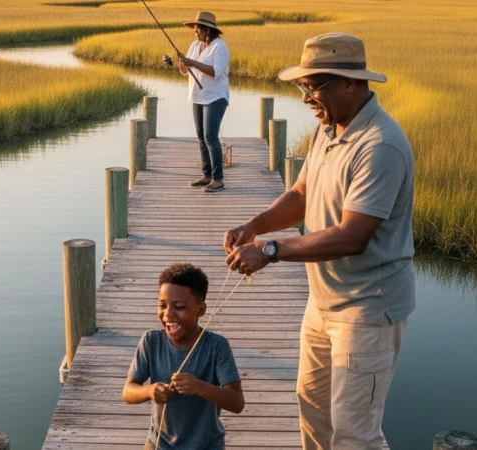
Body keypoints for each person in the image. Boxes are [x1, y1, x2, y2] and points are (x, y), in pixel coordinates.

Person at [222, 33, 415, 450]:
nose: (307, 97)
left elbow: (352, 237)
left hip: (368, 308)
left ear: (351, 82)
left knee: (354, 433)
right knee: (313, 410)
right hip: (323, 302)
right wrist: (254, 226)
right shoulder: (326, 129)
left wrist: (269, 251)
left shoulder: (380, 145)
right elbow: (302, 194)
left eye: (315, 86)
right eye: (302, 87)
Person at [122, 263, 244, 449]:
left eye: (179, 307)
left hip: (207, 445)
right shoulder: (150, 341)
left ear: (200, 310)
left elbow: (237, 402)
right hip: (159, 444)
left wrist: (200, 387)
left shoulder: (216, 346)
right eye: (162, 305)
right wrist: (149, 391)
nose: (168, 314)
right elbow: (128, 392)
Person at [176, 11, 230, 193]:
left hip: (215, 98)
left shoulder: (220, 47)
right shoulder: (194, 45)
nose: (195, 30)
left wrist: (192, 62)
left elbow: (215, 71)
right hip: (197, 97)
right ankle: (207, 175)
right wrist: (183, 63)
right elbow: (185, 70)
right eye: (195, 27)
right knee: (201, 138)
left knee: (210, 138)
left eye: (198, 27)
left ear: (208, 30)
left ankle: (218, 179)